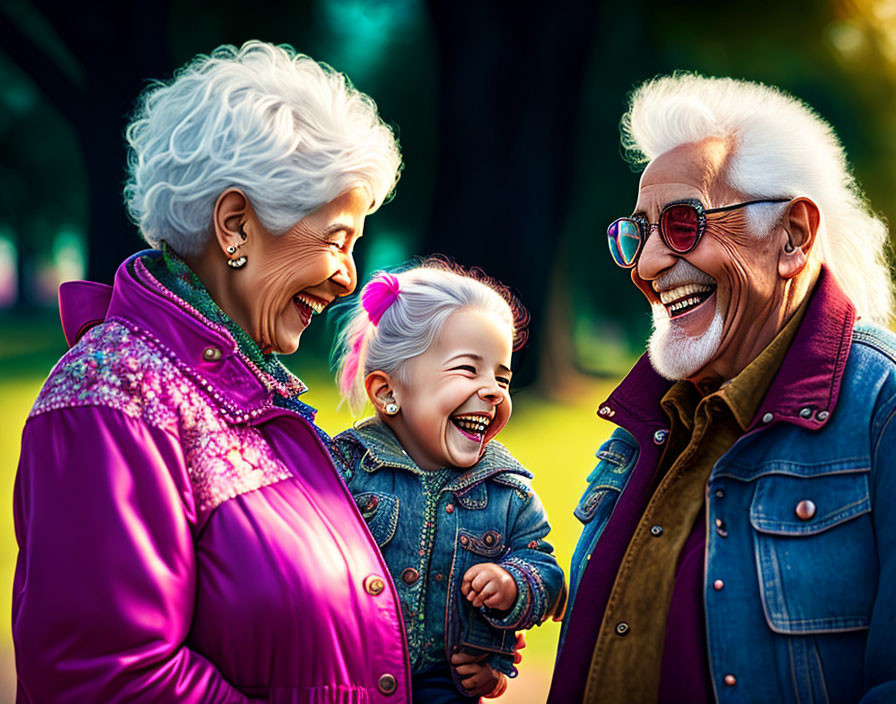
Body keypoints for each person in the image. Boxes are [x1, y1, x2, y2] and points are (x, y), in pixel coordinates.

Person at [13, 41, 411, 703]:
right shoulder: (113, 401)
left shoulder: (240, 393)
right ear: (235, 226)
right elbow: (107, 680)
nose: (348, 277)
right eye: (338, 239)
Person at [549, 74, 896, 703]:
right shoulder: (650, 414)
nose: (648, 264)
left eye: (683, 225)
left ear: (792, 236)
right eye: (638, 233)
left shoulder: (884, 407)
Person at [330, 262, 565, 703]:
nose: (494, 390)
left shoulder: (508, 494)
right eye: (467, 370)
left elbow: (549, 577)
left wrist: (512, 584)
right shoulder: (343, 469)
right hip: (347, 680)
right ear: (387, 392)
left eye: (502, 376)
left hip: (446, 686)